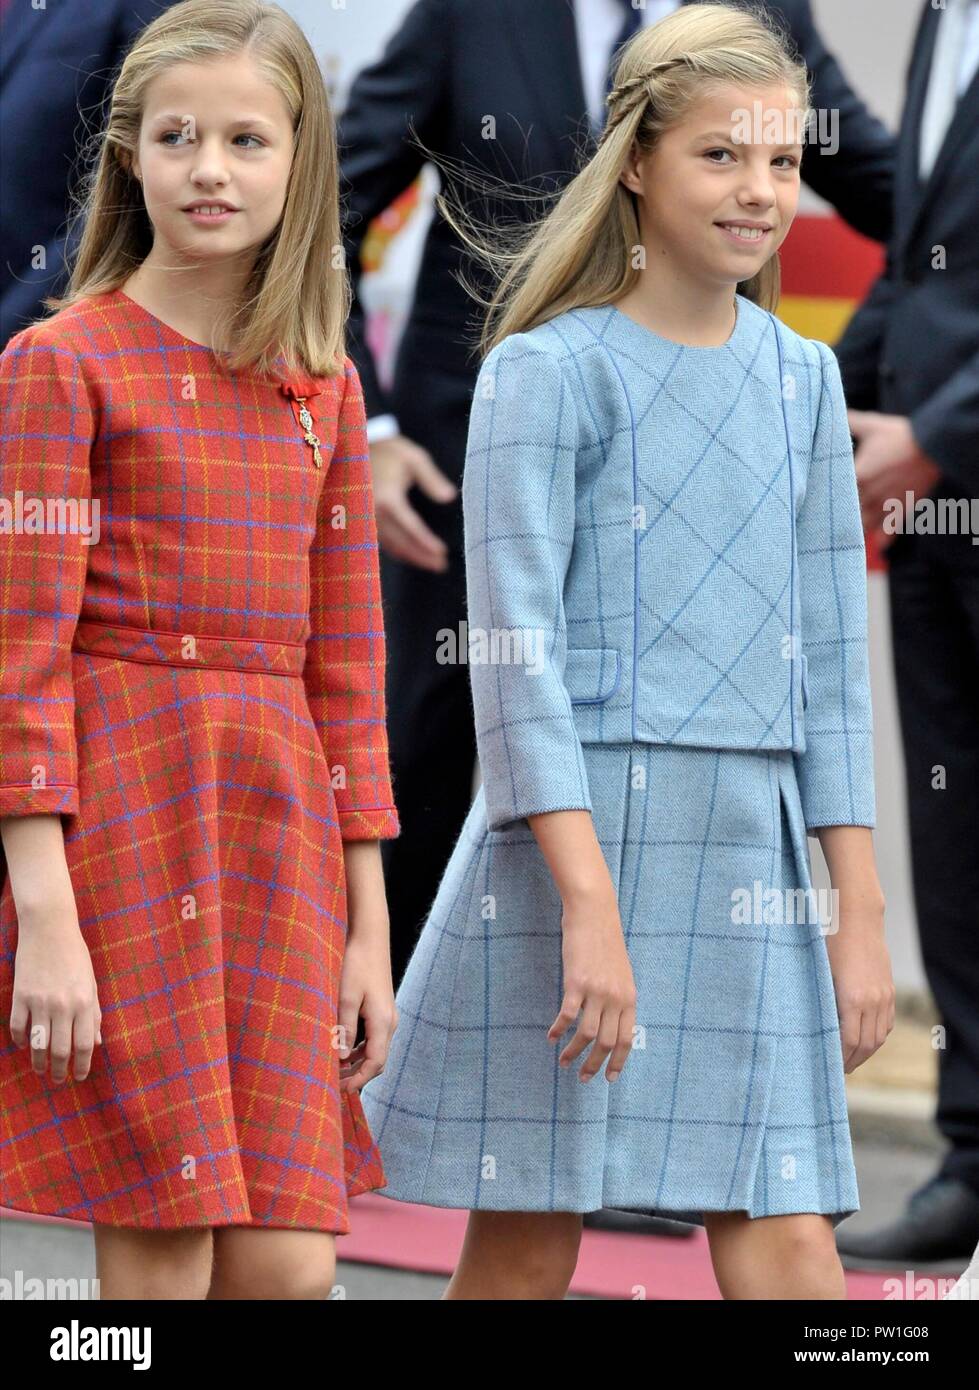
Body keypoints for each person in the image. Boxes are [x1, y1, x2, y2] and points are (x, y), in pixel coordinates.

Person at [360, 3, 895, 1301]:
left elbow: (826, 656)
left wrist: (856, 910)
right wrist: (586, 909)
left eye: (779, 161)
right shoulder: (540, 374)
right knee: (529, 1238)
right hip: (568, 858)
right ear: (635, 160)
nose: (758, 191)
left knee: (784, 1237)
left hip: (743, 850)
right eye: (720, 157)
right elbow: (514, 663)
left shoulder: (801, 383)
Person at [0, 0, 399, 1301]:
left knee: (285, 1262)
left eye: (245, 138)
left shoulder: (323, 382)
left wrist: (365, 924)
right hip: (121, 830)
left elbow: (345, 668)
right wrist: (44, 917)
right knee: (160, 1255)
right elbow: (21, 660)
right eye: (176, 137)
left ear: (301, 162)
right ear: (129, 157)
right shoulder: (58, 364)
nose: (210, 168)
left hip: (276, 837)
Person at [833, 0, 979, 1269]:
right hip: (929, 510)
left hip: (949, 456)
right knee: (955, 831)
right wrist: (811, 411)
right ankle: (974, 1152)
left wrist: (941, 431)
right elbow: (915, 253)